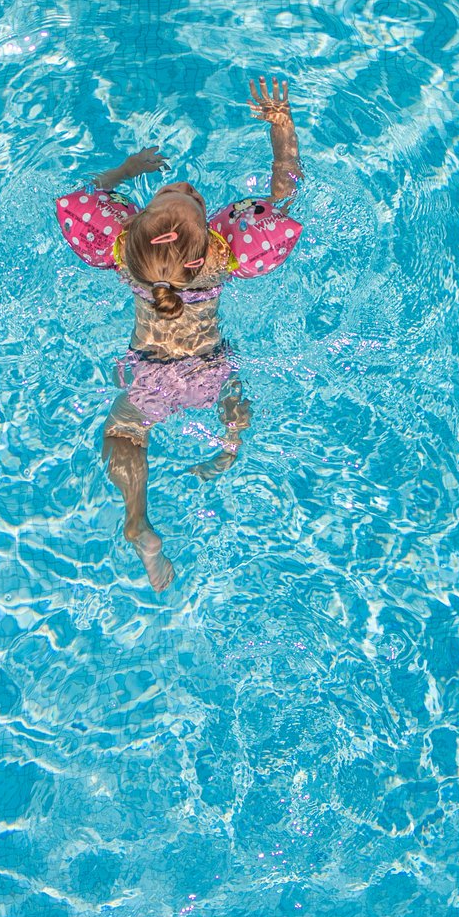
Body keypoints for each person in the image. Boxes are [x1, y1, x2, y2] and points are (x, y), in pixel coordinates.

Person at [53, 77, 305, 588]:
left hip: (148, 374)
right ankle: (229, 446)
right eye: (187, 195)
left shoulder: (122, 254)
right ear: (211, 240)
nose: (183, 186)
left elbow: (89, 194)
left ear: (130, 225)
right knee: (235, 394)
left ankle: (137, 516)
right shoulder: (224, 260)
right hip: (208, 367)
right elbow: (285, 196)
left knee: (124, 433)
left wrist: (127, 170)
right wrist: (281, 128)